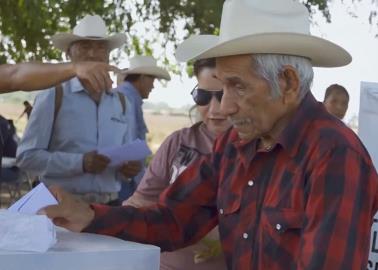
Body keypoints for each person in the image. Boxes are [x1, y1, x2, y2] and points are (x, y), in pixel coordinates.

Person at [43, 1, 378, 269]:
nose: (225, 107)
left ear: (288, 83)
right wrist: (89, 215)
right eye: (219, 86)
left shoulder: (335, 156)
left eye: (236, 86)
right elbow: (174, 219)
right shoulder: (234, 146)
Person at [17, 14, 139, 205]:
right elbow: (27, 157)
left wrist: (129, 168)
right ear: (68, 54)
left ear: (108, 56)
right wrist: (80, 163)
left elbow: (128, 157)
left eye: (100, 47)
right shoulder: (53, 95)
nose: (92, 54)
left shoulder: (122, 102)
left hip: (108, 208)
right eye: (84, 47)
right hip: (58, 206)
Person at [123, 58, 229, 270]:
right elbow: (141, 201)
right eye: (204, 96)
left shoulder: (262, 150)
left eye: (223, 95)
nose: (214, 109)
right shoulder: (178, 143)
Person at [116, 55, 171, 201]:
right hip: (124, 181)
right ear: (142, 78)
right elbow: (130, 144)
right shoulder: (127, 98)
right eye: (152, 80)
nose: (153, 86)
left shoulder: (127, 97)